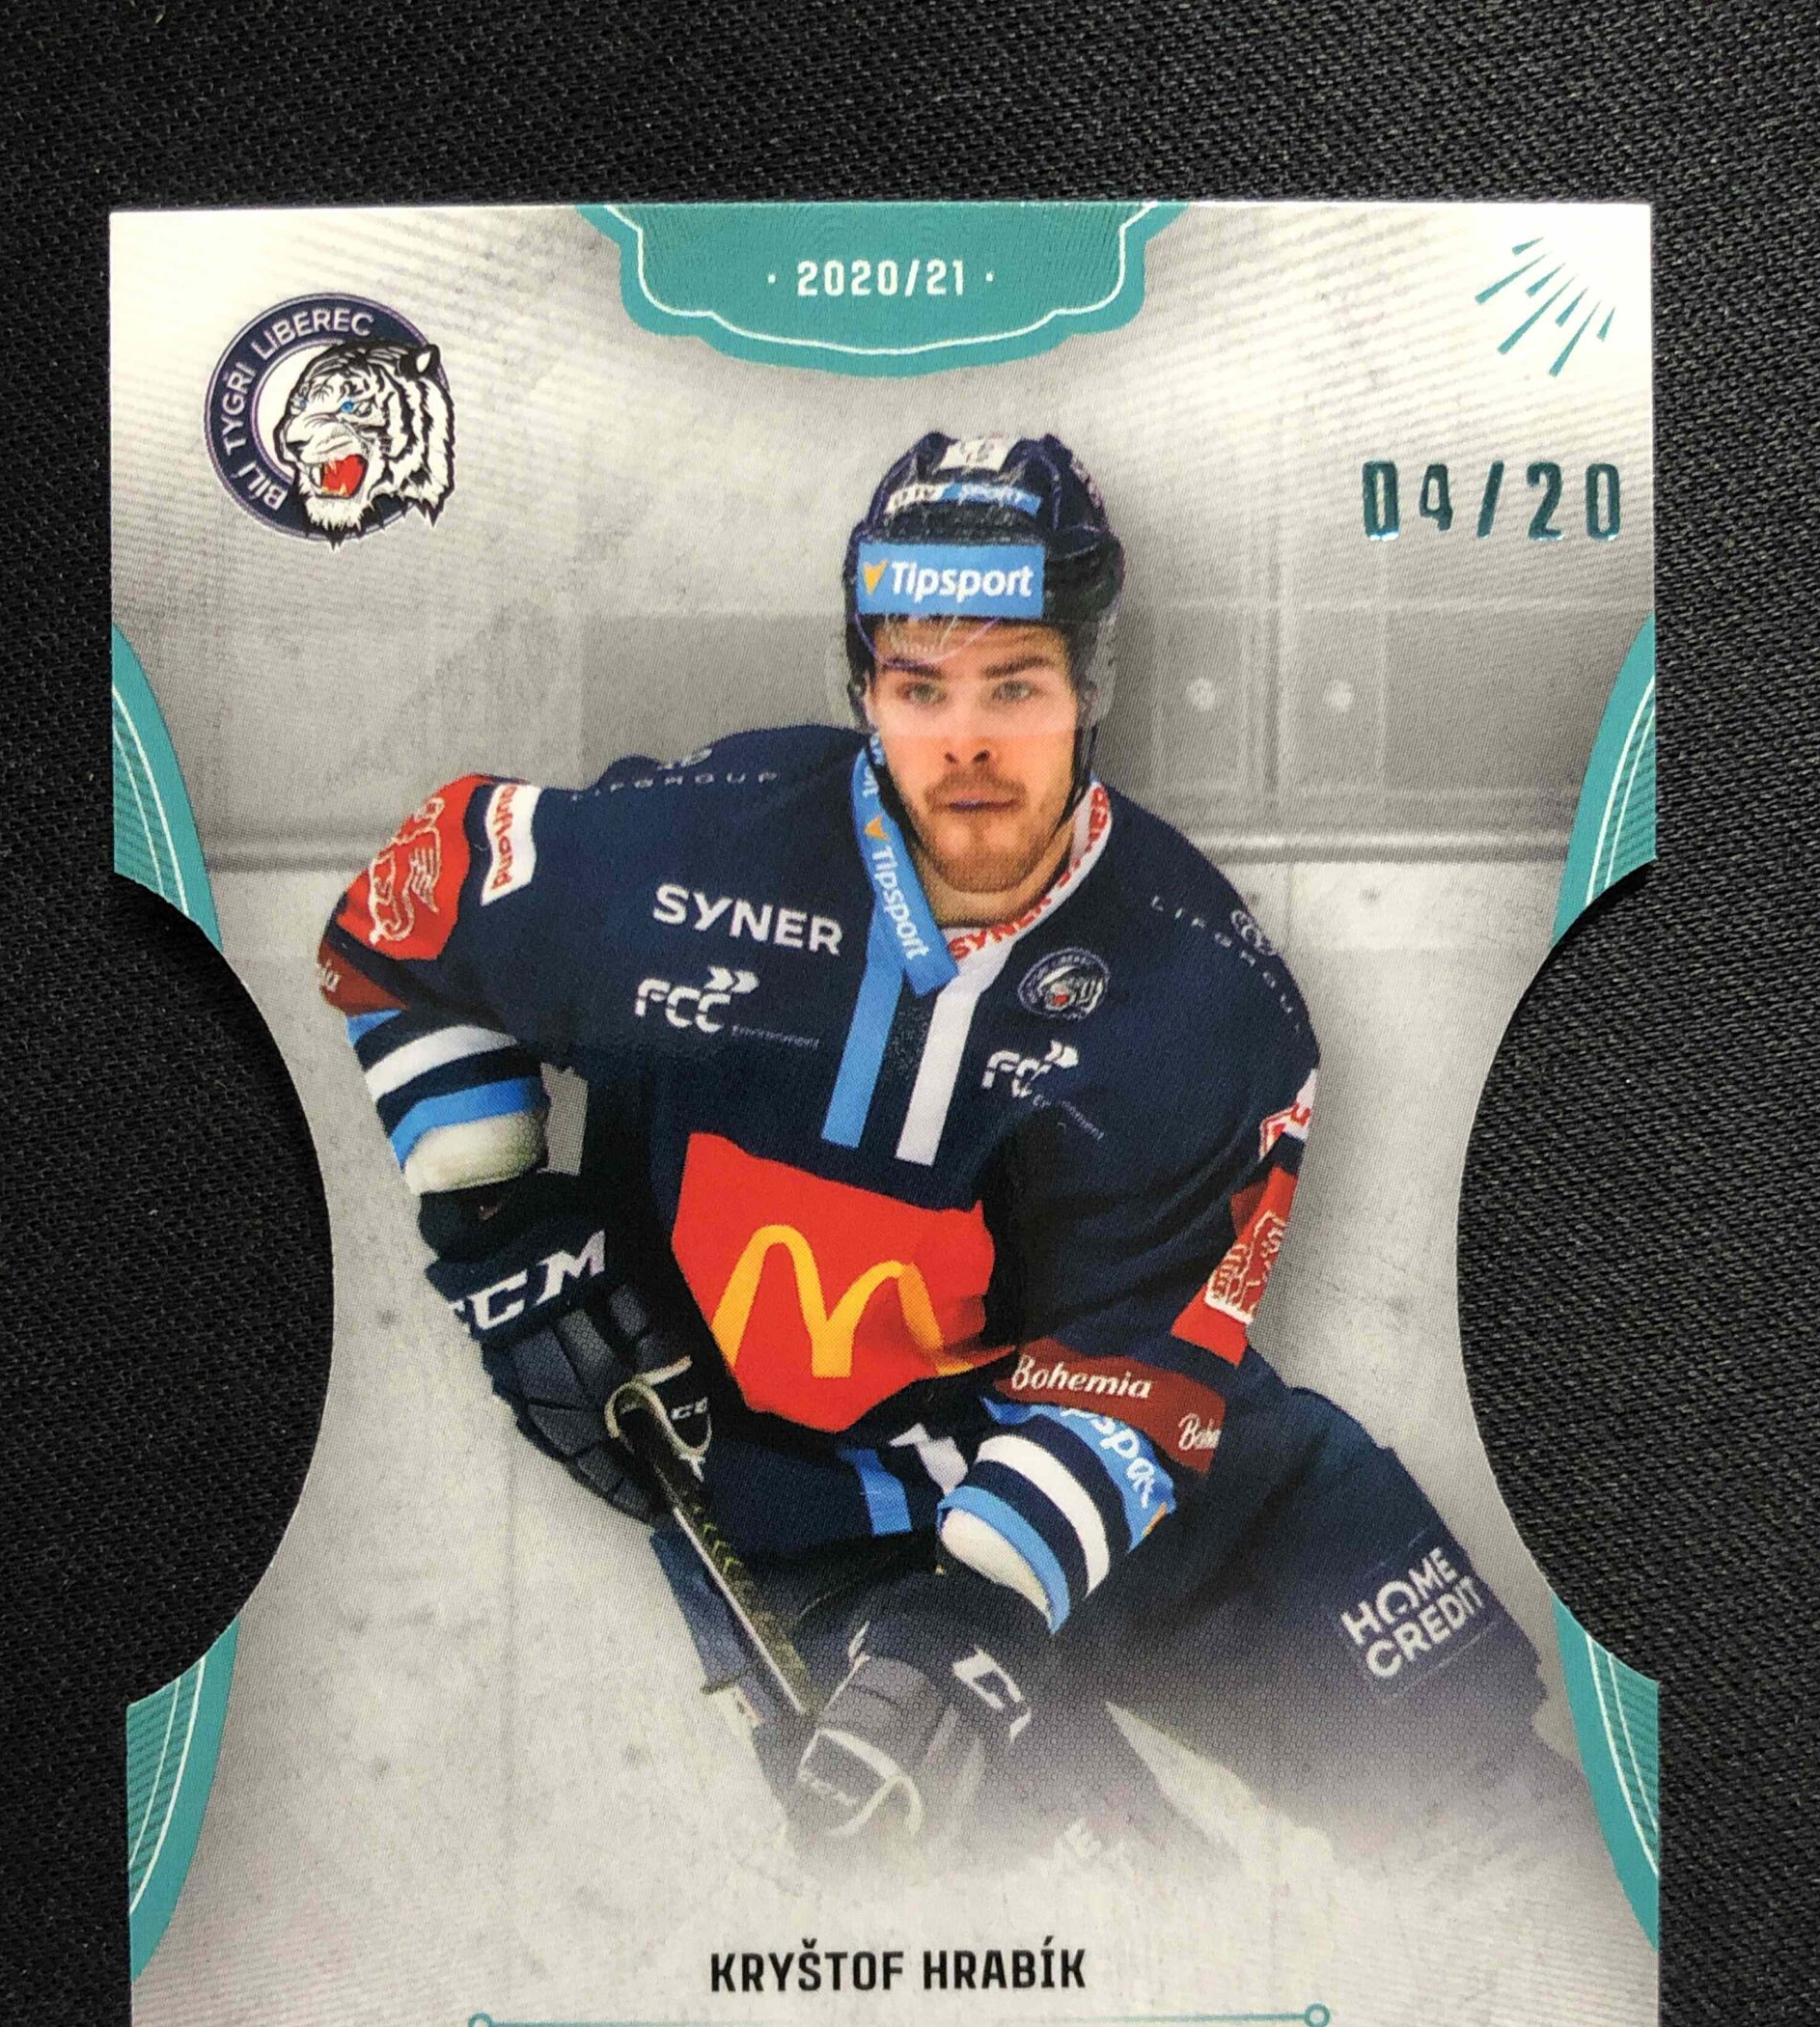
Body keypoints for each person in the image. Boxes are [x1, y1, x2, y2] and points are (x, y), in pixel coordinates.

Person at [317, 430, 1568, 1870]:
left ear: (1094, 681)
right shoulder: (686, 855)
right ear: (860, 685)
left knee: (1494, 1837)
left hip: (1156, 1482)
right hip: (803, 1520)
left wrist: (971, 1627)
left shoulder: (1208, 993)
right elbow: (403, 918)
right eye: (921, 689)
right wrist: (502, 1232)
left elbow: (1138, 1379)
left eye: (1014, 686)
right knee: (1089, 1938)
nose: (967, 744)